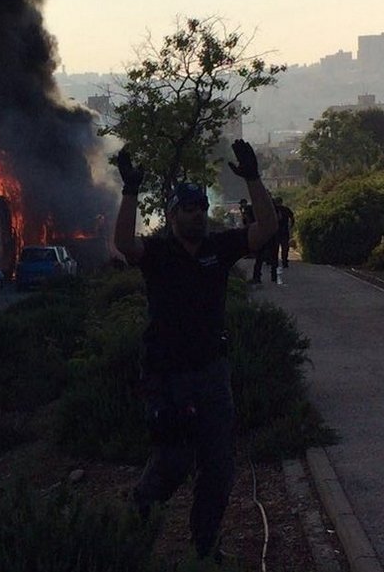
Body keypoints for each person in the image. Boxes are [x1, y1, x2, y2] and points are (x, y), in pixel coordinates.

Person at [114, 139, 277, 560]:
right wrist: (130, 191)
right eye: (189, 209)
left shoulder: (218, 249)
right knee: (172, 462)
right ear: (172, 215)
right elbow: (124, 245)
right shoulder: (159, 252)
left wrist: (254, 179)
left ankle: (205, 547)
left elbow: (266, 230)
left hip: (211, 373)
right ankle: (132, 531)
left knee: (219, 468)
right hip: (166, 374)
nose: (198, 216)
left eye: (202, 209)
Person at [251, 200, 280, 284]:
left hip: (263, 235)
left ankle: (257, 277)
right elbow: (278, 219)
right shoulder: (274, 210)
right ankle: (273, 276)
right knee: (273, 257)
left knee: (260, 258)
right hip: (272, 235)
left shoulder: (259, 209)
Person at [273, 196, 296, 268]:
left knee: (275, 248)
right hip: (284, 231)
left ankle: (275, 262)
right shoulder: (286, 209)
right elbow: (292, 217)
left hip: (275, 231)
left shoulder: (273, 209)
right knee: (285, 248)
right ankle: (284, 262)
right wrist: (291, 226)